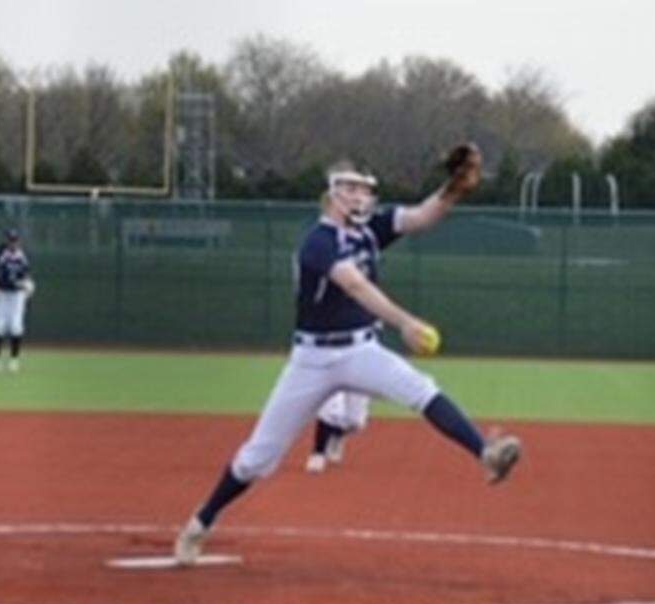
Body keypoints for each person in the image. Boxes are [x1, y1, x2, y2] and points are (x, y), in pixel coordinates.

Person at [175, 144, 521, 565]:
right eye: (351, 189)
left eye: (364, 190)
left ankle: (485, 452)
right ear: (331, 194)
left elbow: (421, 216)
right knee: (256, 459)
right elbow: (355, 285)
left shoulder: (369, 230)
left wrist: (454, 188)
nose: (360, 197)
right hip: (312, 359)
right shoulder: (317, 243)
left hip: (360, 348)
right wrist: (405, 322)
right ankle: (200, 524)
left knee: (421, 388)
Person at [0, 228, 34, 373]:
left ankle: (14, 360)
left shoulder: (22, 256)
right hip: (0, 293)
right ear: (6, 240)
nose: (13, 243)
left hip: (17, 295)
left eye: (15, 240)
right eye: (10, 240)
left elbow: (26, 275)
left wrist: (27, 287)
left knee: (16, 326)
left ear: (19, 241)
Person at [305, 391, 370, 473]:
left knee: (355, 421)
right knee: (330, 411)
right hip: (332, 379)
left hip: (358, 380)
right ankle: (318, 453)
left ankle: (337, 435)